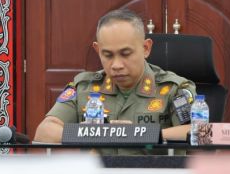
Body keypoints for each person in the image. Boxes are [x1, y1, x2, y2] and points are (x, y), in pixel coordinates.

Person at [34, 8, 196, 146]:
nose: (116, 64)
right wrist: (90, 133)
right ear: (98, 51)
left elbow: (200, 132)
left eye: (125, 54)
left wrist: (137, 134)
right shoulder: (83, 87)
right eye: (108, 55)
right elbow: (44, 132)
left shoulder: (173, 89)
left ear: (146, 48)